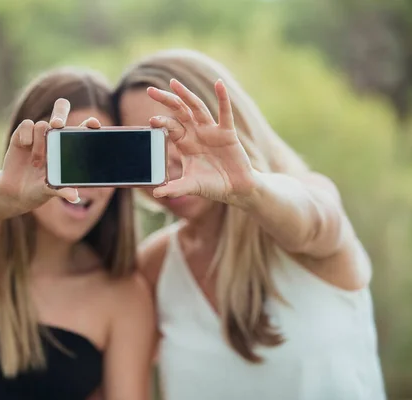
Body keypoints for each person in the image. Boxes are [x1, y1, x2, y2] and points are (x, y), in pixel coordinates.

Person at [113, 49, 387, 400]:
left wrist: (250, 189)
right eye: (143, 147)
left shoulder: (308, 198)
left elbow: (312, 223)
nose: (168, 162)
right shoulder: (155, 266)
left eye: (178, 132)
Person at [0, 68, 155, 400]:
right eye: (70, 155)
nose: (83, 184)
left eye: (102, 159)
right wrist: (3, 195)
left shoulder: (123, 295)